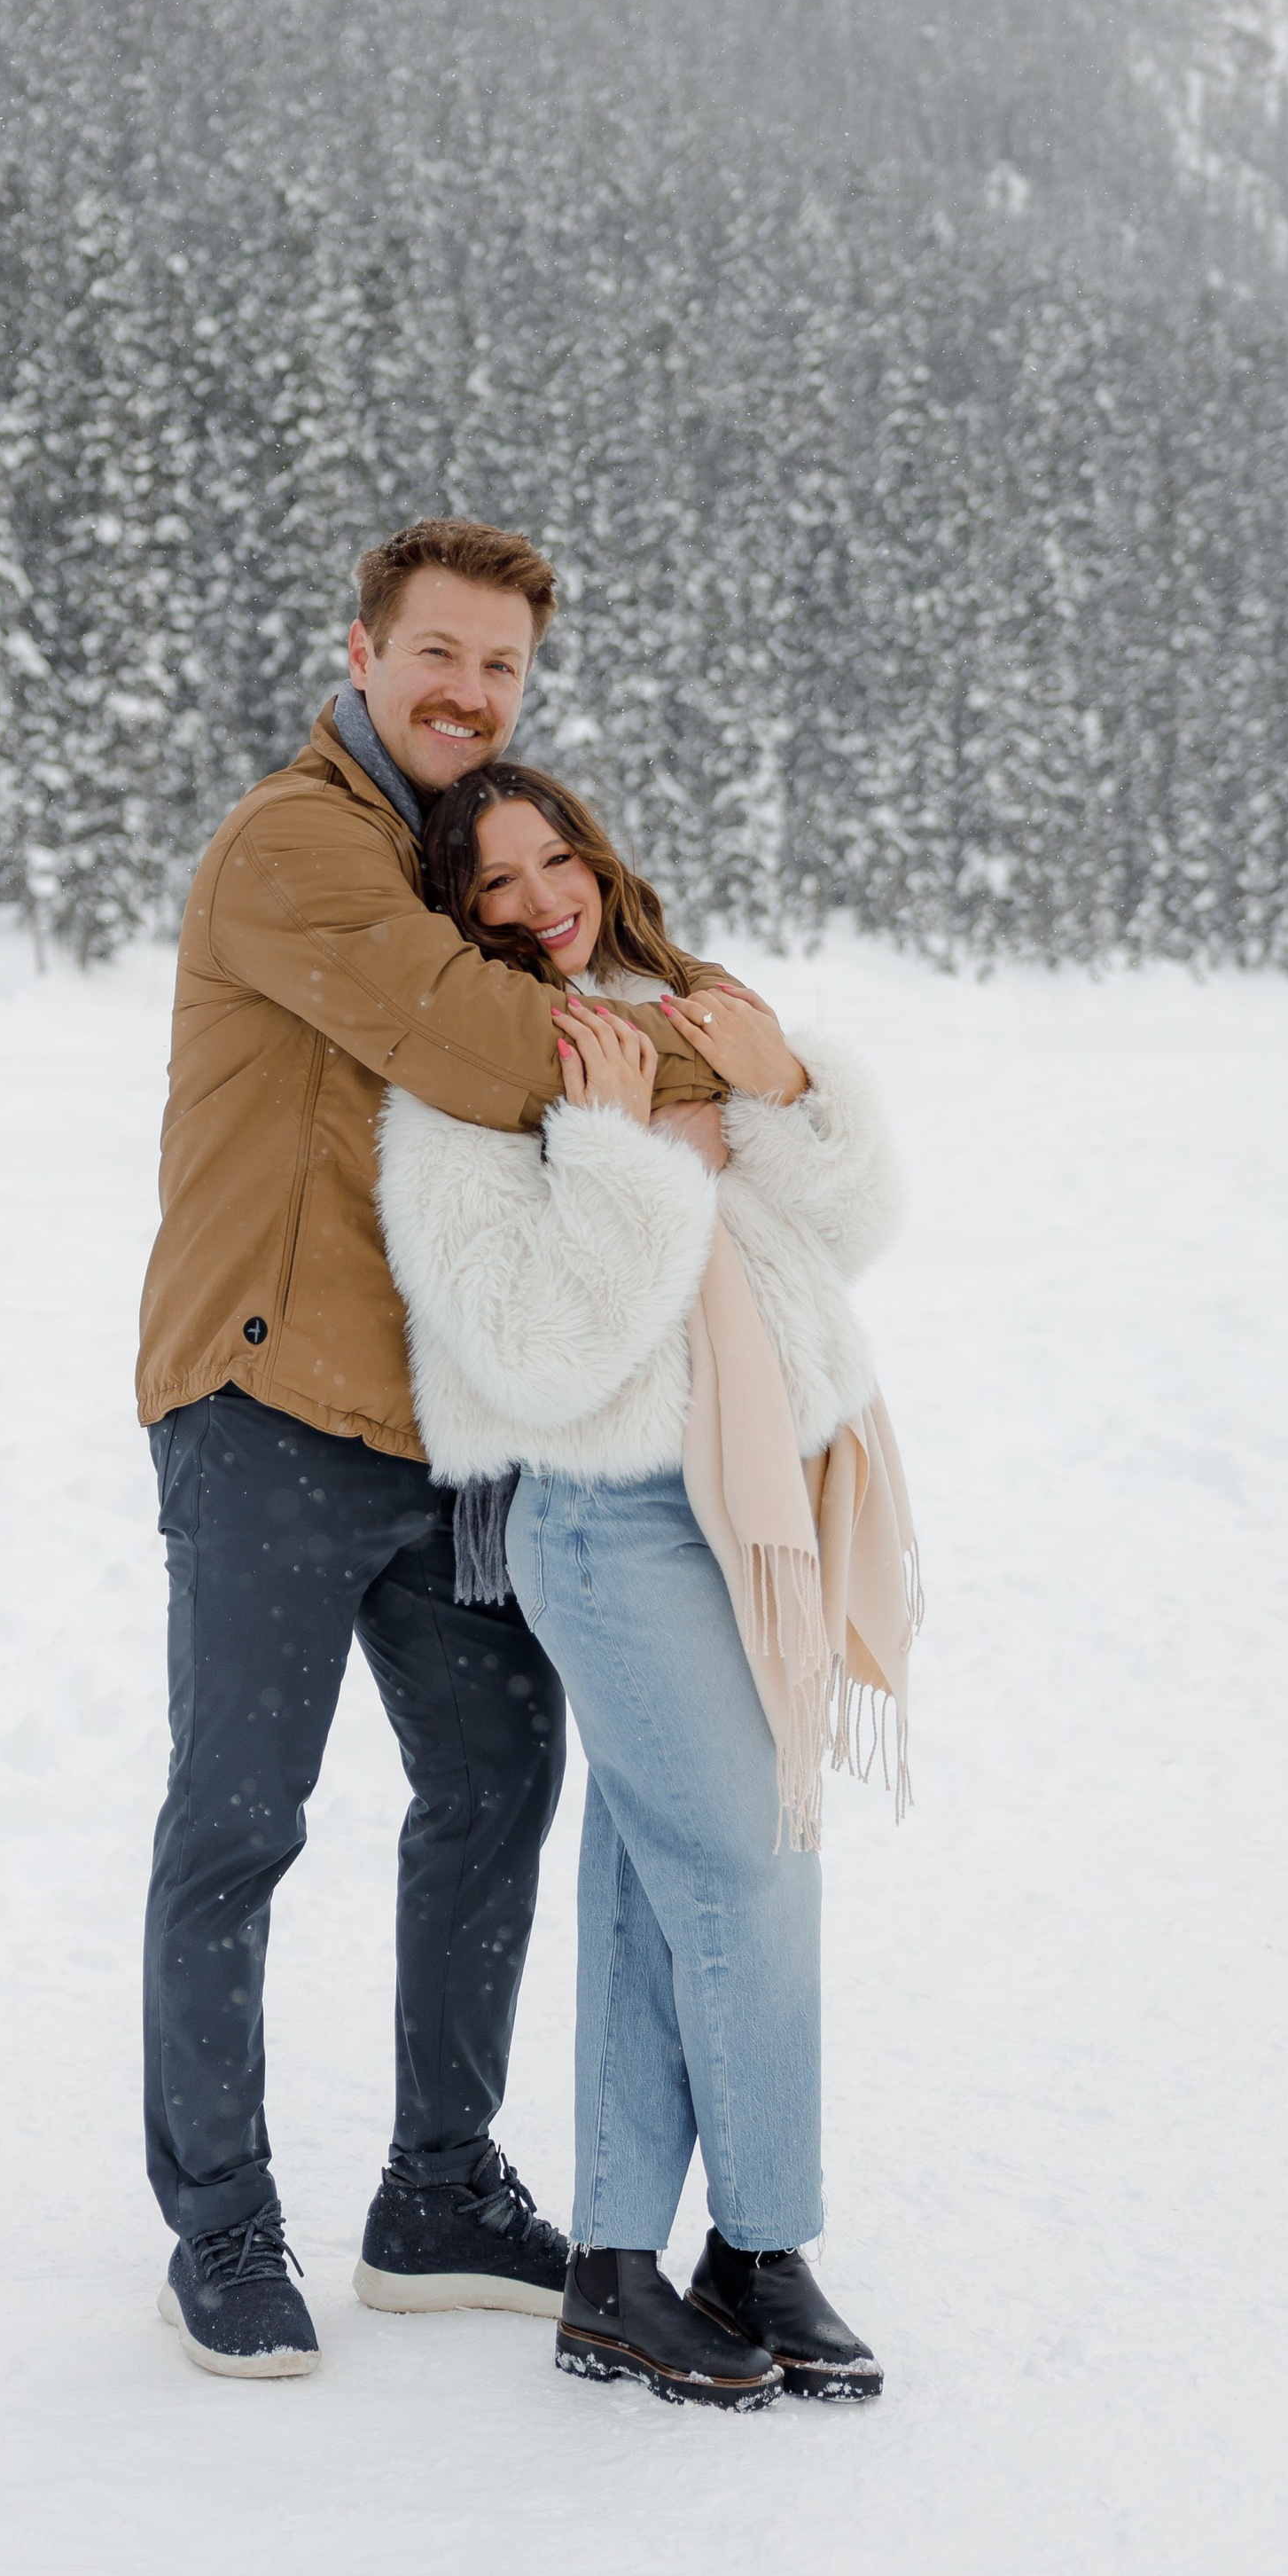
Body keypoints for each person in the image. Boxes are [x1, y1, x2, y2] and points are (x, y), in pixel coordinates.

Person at [137, 521, 732, 2380]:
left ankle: (439, 2185)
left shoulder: (452, 852)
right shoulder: (298, 845)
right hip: (263, 1408)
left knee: (493, 1778)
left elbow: (582, 972)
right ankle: (222, 2227)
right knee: (238, 1820)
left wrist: (700, 1040)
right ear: (363, 651)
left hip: (439, 1428)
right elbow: (494, 1042)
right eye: (442, 656)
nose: (471, 693)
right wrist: (706, 1053)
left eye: (504, 671)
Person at [377, 758, 917, 2411]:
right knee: (753, 1863)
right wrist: (622, 1155)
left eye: (560, 860)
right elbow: (538, 1352)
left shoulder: (684, 1014)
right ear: (455, 918)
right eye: (496, 883)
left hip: (734, 1506)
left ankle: (615, 2270)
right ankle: (761, 2244)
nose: (545, 896)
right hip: (607, 1525)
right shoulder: (457, 1088)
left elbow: (846, 1229)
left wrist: (789, 1089)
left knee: (649, 1882)